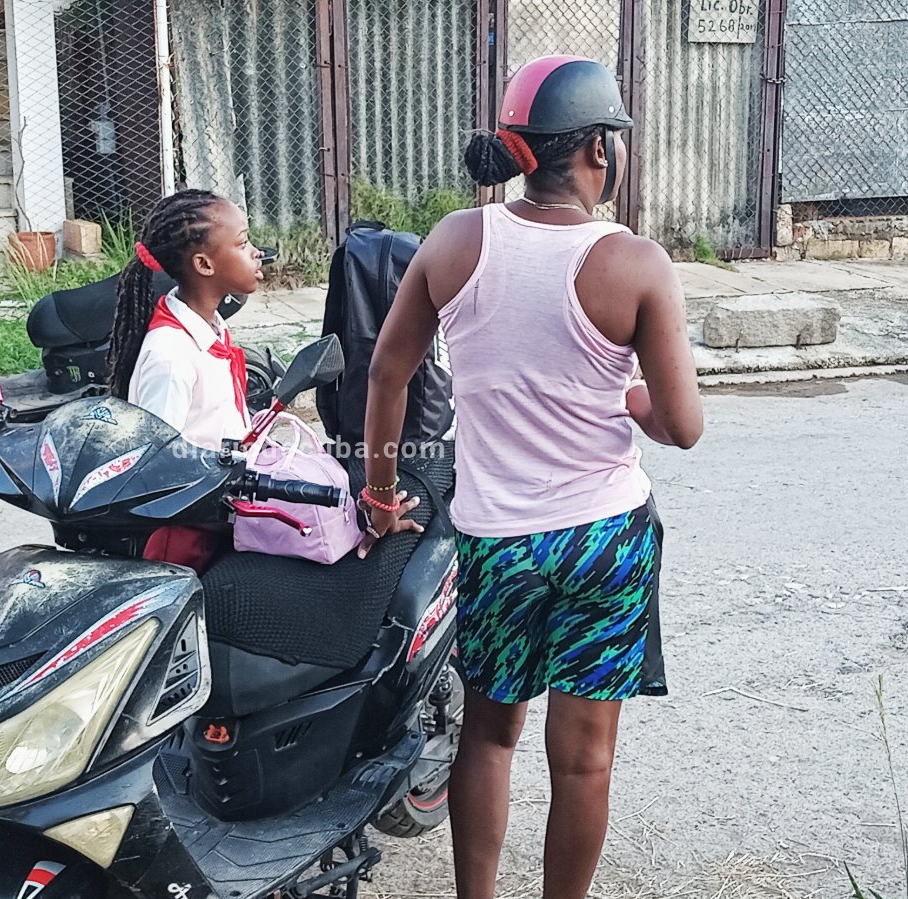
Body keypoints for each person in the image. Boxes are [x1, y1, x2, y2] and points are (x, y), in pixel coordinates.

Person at [357, 56, 703, 899]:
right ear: (594, 148)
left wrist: (378, 496)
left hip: (495, 543)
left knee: (488, 737)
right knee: (583, 760)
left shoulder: (454, 241)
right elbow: (681, 426)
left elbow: (386, 376)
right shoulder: (635, 263)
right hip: (602, 541)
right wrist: (623, 395)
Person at [106, 188, 264, 571]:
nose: (257, 252)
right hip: (183, 544)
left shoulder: (210, 327)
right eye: (243, 243)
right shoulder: (171, 354)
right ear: (204, 265)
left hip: (220, 518)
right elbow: (156, 468)